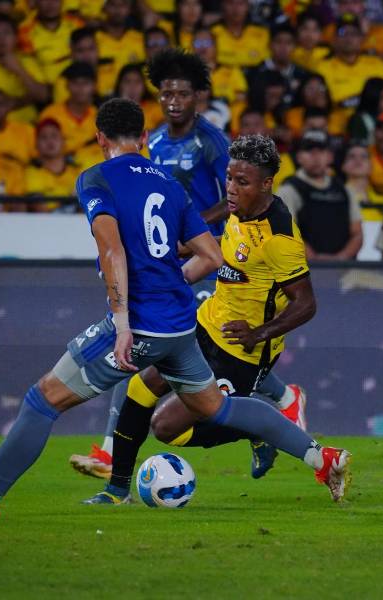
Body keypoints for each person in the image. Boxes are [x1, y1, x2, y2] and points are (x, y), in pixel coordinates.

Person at [0, 102, 351, 518]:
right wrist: (172, 282)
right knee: (216, 408)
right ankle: (321, 458)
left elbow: (112, 251)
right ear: (145, 138)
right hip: (183, 325)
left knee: (42, 401)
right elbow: (211, 255)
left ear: (100, 139)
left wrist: (124, 323)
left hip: (142, 323)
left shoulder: (95, 179)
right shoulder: (168, 183)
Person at [69, 48, 301, 479]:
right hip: (175, 256)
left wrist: (191, 227)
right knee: (170, 350)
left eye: (182, 93)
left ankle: (279, 403)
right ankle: (283, 401)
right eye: (166, 94)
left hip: (212, 257)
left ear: (197, 97)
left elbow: (231, 196)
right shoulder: (153, 141)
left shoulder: (211, 141)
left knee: (160, 346)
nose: (173, 101)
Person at [82, 133, 346, 506]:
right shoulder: (241, 209)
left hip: (241, 352)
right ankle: (116, 492)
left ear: (266, 184)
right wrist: (183, 244)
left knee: (166, 428)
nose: (232, 190)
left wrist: (260, 332)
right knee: (140, 388)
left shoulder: (280, 238)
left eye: (242, 182)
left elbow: (307, 303)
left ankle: (262, 428)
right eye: (229, 178)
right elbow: (223, 241)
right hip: (206, 324)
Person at [277, 129, 363, 260]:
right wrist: (316, 260)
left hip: (342, 270)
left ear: (330, 156)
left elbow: (357, 233)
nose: (315, 157)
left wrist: (340, 259)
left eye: (321, 151)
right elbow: (285, 234)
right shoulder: (288, 189)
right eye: (309, 151)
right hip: (302, 272)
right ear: (299, 157)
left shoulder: (344, 190)